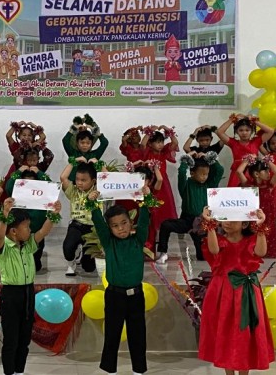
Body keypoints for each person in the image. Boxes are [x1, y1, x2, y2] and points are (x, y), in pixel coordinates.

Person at [198, 206, 274, 374]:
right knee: (225, 332)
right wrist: (210, 224)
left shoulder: (251, 241)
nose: (227, 223)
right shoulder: (219, 240)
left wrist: (261, 225)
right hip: (223, 291)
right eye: (225, 219)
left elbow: (261, 252)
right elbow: (213, 250)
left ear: (244, 224)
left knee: (244, 332)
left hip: (246, 292)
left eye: (233, 220)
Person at [87, 188, 152, 375]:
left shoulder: (138, 239)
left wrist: (146, 198)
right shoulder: (108, 242)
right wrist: (92, 203)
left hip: (136, 295)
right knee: (112, 334)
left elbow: (145, 219)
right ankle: (110, 370)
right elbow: (98, 221)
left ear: (131, 222)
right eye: (115, 226)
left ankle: (138, 370)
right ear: (109, 229)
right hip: (114, 296)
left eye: (124, 223)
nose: (121, 228)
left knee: (137, 335)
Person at [0, 198, 61, 375]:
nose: (30, 230)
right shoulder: (3, 247)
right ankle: (9, 372)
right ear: (14, 231)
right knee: (11, 340)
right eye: (27, 227)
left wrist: (53, 214)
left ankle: (20, 371)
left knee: (24, 339)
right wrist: (5, 214)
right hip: (11, 296)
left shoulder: (28, 245)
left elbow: (43, 231)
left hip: (28, 293)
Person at [156, 152, 224, 263]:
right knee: (165, 225)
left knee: (202, 257)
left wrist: (208, 158)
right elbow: (182, 173)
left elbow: (220, 170)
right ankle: (163, 253)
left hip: (202, 224)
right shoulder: (186, 185)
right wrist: (186, 158)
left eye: (206, 174)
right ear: (192, 173)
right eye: (202, 174)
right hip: (187, 221)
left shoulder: (209, 185)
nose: (205, 177)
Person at [138, 125, 179, 252]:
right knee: (149, 210)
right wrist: (149, 132)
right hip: (149, 182)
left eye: (162, 142)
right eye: (157, 142)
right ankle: (149, 236)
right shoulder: (147, 152)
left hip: (162, 183)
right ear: (151, 144)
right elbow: (143, 144)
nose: (160, 144)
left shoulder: (164, 152)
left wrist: (168, 130)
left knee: (162, 209)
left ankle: (159, 234)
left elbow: (175, 143)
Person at [4, 166, 53, 272]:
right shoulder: (17, 195)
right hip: (19, 234)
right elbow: (8, 186)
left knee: (36, 266)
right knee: (20, 262)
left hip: (37, 233)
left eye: (32, 184)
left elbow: (51, 186)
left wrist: (39, 173)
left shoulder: (42, 197)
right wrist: (18, 172)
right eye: (26, 183)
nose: (29, 187)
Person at [60, 159, 99, 277]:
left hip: (93, 229)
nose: (79, 183)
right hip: (76, 225)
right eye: (77, 179)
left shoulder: (98, 191)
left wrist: (99, 164)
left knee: (89, 268)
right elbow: (63, 178)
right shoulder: (73, 191)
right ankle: (71, 262)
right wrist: (73, 162)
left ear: (93, 181)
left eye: (83, 180)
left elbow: (108, 179)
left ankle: (82, 254)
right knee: (68, 247)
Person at [237, 156, 276, 259]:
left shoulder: (269, 185)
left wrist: (268, 161)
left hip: (268, 215)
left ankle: (268, 252)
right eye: (265, 171)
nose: (268, 173)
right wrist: (248, 160)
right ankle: (254, 251)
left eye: (268, 171)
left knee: (269, 233)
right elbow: (239, 172)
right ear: (256, 174)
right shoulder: (248, 185)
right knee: (253, 232)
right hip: (253, 216)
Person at [216, 114, 274, 187]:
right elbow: (219, 132)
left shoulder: (256, 142)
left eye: (247, 130)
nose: (244, 133)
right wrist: (232, 120)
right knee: (235, 193)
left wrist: (255, 121)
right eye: (241, 130)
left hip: (252, 174)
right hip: (237, 174)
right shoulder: (233, 143)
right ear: (236, 131)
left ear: (252, 131)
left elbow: (271, 131)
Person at [61, 114, 108, 183]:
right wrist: (73, 129)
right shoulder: (73, 153)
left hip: (90, 184)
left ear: (91, 144)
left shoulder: (94, 155)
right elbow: (65, 141)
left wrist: (97, 133)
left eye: (88, 143)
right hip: (74, 184)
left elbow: (104, 143)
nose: (85, 145)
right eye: (82, 143)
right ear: (77, 143)